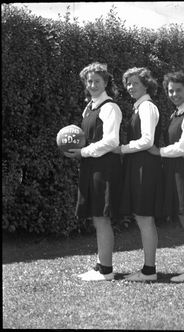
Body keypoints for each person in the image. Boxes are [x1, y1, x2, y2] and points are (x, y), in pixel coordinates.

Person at [64, 62, 122, 281]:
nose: (93, 85)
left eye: (97, 81)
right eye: (89, 81)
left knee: (102, 217)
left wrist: (84, 151)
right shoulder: (89, 107)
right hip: (91, 165)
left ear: (106, 82)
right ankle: (100, 265)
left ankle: (107, 270)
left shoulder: (110, 107)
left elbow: (112, 140)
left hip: (105, 167)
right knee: (97, 218)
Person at [148, 71, 184, 282]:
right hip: (175, 170)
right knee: (183, 219)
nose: (174, 94)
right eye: (170, 90)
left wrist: (159, 151)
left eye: (178, 90)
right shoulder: (175, 114)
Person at [112, 67, 162, 282]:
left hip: (145, 166)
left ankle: (149, 270)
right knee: (142, 217)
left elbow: (147, 140)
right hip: (138, 165)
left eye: (135, 83)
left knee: (144, 217)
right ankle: (147, 268)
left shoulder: (147, 107)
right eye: (128, 84)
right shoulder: (139, 107)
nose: (131, 87)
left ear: (146, 84)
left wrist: (122, 148)